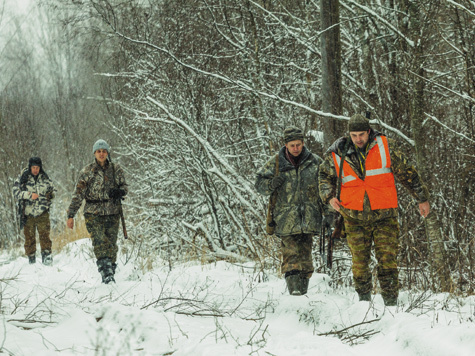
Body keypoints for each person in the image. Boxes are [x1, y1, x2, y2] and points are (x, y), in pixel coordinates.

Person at [318, 114, 430, 306]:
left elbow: (407, 172)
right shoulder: (338, 152)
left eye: (361, 134)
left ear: (369, 132)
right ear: (349, 134)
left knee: (388, 261)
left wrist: (422, 198)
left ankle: (391, 303)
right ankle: (363, 304)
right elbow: (323, 175)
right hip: (353, 216)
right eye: (354, 135)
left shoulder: (385, 146)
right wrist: (329, 197)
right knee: (359, 264)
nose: (358, 139)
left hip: (384, 214)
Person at [255, 126, 325, 295]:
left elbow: (327, 186)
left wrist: (328, 213)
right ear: (286, 145)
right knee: (291, 257)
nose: (295, 148)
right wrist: (271, 184)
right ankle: (295, 294)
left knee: (306, 259)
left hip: (309, 219)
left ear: (303, 143)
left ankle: (302, 293)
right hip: (286, 220)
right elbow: (259, 185)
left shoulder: (315, 162)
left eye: (298, 145)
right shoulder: (276, 163)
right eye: (292, 145)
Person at [66, 139, 128, 284]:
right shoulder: (87, 172)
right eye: (99, 151)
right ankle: (106, 275)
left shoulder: (115, 169)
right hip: (93, 213)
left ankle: (110, 271)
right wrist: (71, 215)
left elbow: (125, 187)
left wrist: (119, 192)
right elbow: (78, 194)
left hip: (113, 212)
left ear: (107, 153)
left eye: (104, 151)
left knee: (111, 245)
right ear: (94, 153)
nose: (101, 154)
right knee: (100, 241)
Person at [13, 157, 55, 265]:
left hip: (42, 213)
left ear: (40, 168)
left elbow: (53, 190)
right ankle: (31, 260)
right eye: (33, 167)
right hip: (28, 213)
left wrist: (50, 195)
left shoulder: (45, 178)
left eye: (37, 167)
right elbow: (15, 191)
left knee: (45, 236)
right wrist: (29, 195)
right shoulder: (23, 178)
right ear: (30, 167)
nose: (35, 170)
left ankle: (47, 258)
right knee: (29, 238)